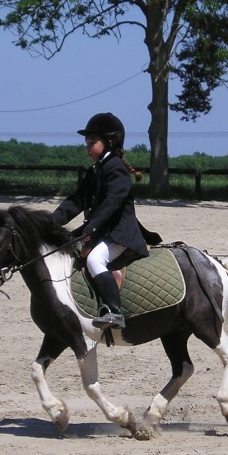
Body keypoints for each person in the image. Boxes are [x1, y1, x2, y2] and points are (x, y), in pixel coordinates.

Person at [52, 112, 158, 330]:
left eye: (92, 142)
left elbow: (112, 203)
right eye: (86, 143)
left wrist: (89, 228)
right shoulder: (96, 169)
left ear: (110, 142)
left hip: (120, 234)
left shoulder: (116, 168)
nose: (87, 147)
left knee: (94, 260)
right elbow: (77, 201)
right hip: (102, 231)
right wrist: (49, 222)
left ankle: (114, 312)